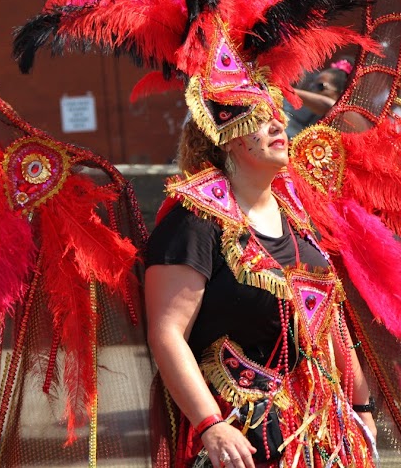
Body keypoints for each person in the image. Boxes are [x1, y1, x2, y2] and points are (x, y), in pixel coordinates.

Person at [144, 44, 377, 467]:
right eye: (256, 117)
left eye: (275, 114)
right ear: (225, 140)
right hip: (241, 439)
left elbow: (329, 323)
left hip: (320, 430)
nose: (275, 123)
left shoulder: (297, 213)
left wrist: (361, 407)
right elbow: (167, 333)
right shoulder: (194, 221)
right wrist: (210, 424)